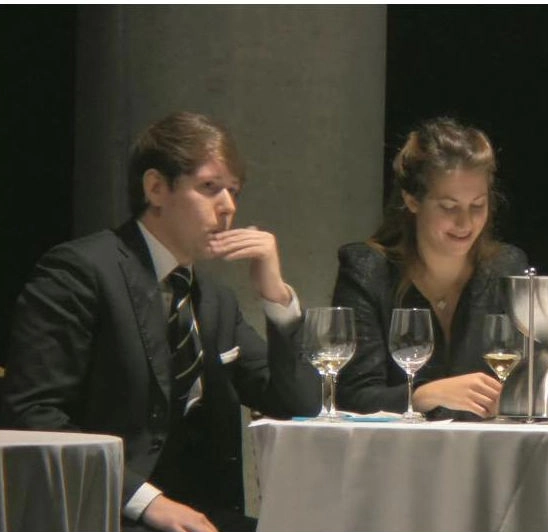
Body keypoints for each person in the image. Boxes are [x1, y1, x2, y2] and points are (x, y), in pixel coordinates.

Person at [0, 112, 321, 532]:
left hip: (203, 515)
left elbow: (299, 405)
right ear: (155, 188)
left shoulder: (215, 301)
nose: (228, 206)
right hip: (102, 512)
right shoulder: (80, 272)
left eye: (234, 191)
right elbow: (32, 413)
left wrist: (276, 297)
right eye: (210, 187)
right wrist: (146, 502)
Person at [333, 117, 528, 420]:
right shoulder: (368, 270)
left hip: (485, 446)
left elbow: (530, 381)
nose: (465, 222)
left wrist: (512, 397)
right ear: (412, 201)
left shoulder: (507, 267)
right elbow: (351, 396)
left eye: (478, 205)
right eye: (449, 207)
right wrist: (425, 395)